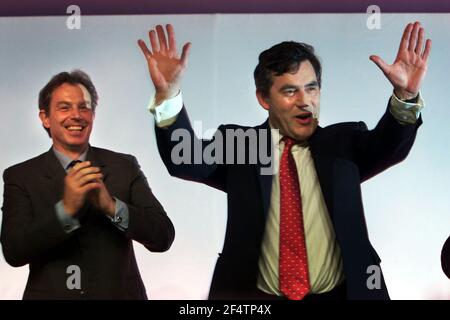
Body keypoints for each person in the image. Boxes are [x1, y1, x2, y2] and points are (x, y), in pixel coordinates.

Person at [138, 22, 431, 300]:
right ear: (264, 98)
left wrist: (406, 95)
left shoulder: (345, 142)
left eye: (311, 88)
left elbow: (392, 146)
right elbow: (183, 160)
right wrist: (168, 96)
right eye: (290, 91)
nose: (305, 101)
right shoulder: (239, 144)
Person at [0, 70, 175, 299]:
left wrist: (112, 207)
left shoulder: (124, 166)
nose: (76, 115)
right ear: (45, 117)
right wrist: (66, 211)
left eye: (84, 107)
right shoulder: (20, 176)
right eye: (64, 107)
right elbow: (14, 251)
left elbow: (162, 236)